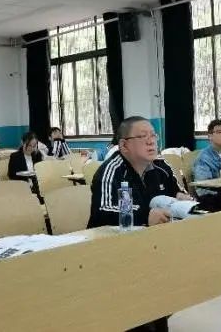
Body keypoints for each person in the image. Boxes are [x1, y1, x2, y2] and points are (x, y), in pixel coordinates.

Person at [88, 116, 191, 332]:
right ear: (124, 145)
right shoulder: (111, 170)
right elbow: (104, 210)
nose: (151, 141)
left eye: (153, 135)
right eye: (143, 136)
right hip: (111, 247)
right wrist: (146, 216)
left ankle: (152, 316)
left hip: (153, 245)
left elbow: (177, 192)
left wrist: (182, 198)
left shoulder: (162, 166)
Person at [193, 119, 221, 212]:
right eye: (219, 132)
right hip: (209, 197)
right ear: (210, 136)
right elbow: (203, 186)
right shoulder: (203, 158)